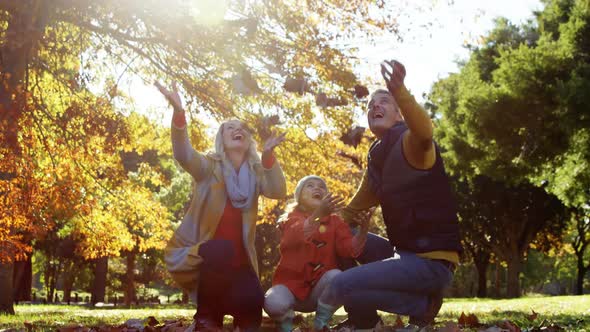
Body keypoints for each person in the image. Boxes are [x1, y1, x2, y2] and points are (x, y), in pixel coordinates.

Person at [324, 60, 462, 331]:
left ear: (400, 114)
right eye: (369, 105)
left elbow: (425, 133)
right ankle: (366, 321)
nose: (374, 106)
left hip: (431, 264)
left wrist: (399, 90)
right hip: (404, 256)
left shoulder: (409, 142)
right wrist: (310, 224)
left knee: (341, 285)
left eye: (384, 101)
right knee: (336, 232)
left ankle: (422, 306)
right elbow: (348, 215)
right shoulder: (377, 158)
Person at [156, 82, 287, 331]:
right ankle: (206, 318)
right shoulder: (209, 168)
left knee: (252, 307)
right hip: (208, 259)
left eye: (242, 129)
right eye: (231, 128)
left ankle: (237, 314)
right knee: (221, 249)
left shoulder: (256, 173)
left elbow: (278, 191)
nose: (238, 130)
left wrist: (268, 156)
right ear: (222, 139)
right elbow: (184, 154)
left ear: (249, 140)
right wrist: (179, 113)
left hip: (241, 266)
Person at [263, 176, 373, 332]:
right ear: (299, 197)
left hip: (320, 291)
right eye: (310, 185)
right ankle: (286, 324)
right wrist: (319, 213)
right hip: (290, 289)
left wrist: (362, 232)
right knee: (273, 302)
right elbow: (295, 235)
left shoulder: (335, 222)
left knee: (337, 276)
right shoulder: (290, 218)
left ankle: (321, 322)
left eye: (322, 187)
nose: (317, 188)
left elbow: (349, 250)